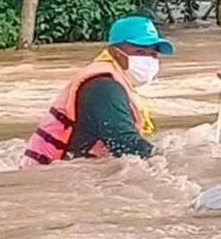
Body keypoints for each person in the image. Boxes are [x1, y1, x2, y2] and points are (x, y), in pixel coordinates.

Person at [20, 14, 172, 168]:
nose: (148, 60)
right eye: (139, 51)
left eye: (153, 54)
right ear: (115, 52)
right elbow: (123, 143)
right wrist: (168, 158)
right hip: (60, 177)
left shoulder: (112, 82)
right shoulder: (104, 88)